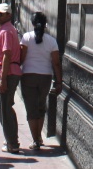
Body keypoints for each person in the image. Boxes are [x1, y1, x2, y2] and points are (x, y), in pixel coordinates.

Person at [19, 11, 62, 151]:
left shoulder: (26, 37)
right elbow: (56, 63)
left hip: (28, 76)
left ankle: (35, 140)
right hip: (46, 77)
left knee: (31, 109)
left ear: (32, 23)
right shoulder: (52, 41)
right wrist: (59, 81)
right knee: (41, 107)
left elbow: (21, 59)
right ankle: (39, 137)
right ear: (45, 25)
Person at [0, 2, 23, 154]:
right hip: (8, 71)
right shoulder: (6, 30)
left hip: (7, 73)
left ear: (8, 15)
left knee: (5, 108)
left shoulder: (6, 31)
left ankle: (12, 142)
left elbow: (7, 55)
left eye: (1, 14)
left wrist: (3, 79)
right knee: (5, 107)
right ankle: (10, 139)